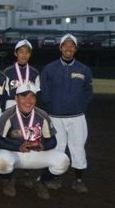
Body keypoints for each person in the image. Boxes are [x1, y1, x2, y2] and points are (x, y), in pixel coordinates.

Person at [0, 83, 70, 200]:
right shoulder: (8, 115)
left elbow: (53, 141)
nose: (28, 101)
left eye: (32, 97)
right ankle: (8, 181)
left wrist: (42, 145)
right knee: (1, 161)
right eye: (24, 97)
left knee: (63, 161)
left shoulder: (42, 115)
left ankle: (41, 181)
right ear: (16, 99)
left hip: (35, 153)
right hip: (15, 153)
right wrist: (19, 147)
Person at [40, 34, 93, 193]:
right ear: (60, 48)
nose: (68, 48)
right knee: (57, 147)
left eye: (71, 45)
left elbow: (88, 92)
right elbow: (44, 93)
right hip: (56, 117)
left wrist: (79, 106)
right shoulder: (49, 68)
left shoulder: (84, 69)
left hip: (77, 117)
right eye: (65, 45)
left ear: (75, 49)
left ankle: (78, 180)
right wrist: (53, 107)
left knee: (78, 148)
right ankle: (55, 178)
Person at [4, 39, 40, 109]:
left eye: (27, 52)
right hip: (12, 103)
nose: (24, 55)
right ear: (15, 53)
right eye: (21, 52)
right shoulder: (7, 72)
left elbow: (37, 92)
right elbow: (4, 92)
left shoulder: (35, 72)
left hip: (28, 104)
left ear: (30, 54)